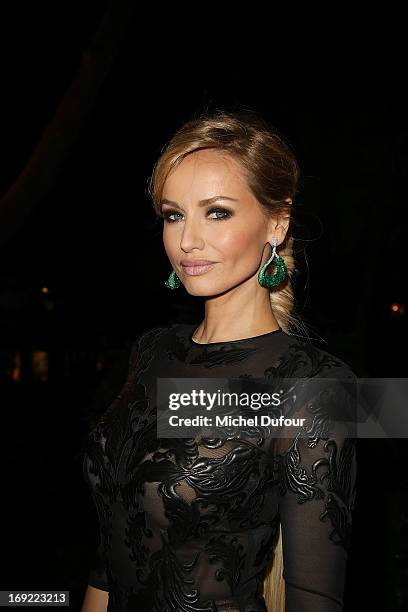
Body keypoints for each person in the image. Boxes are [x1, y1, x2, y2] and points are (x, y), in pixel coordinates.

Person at [81, 110, 357, 612]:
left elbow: (315, 600)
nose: (187, 240)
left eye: (218, 212)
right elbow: (115, 542)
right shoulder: (151, 352)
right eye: (173, 214)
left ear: (277, 222)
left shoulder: (313, 386)